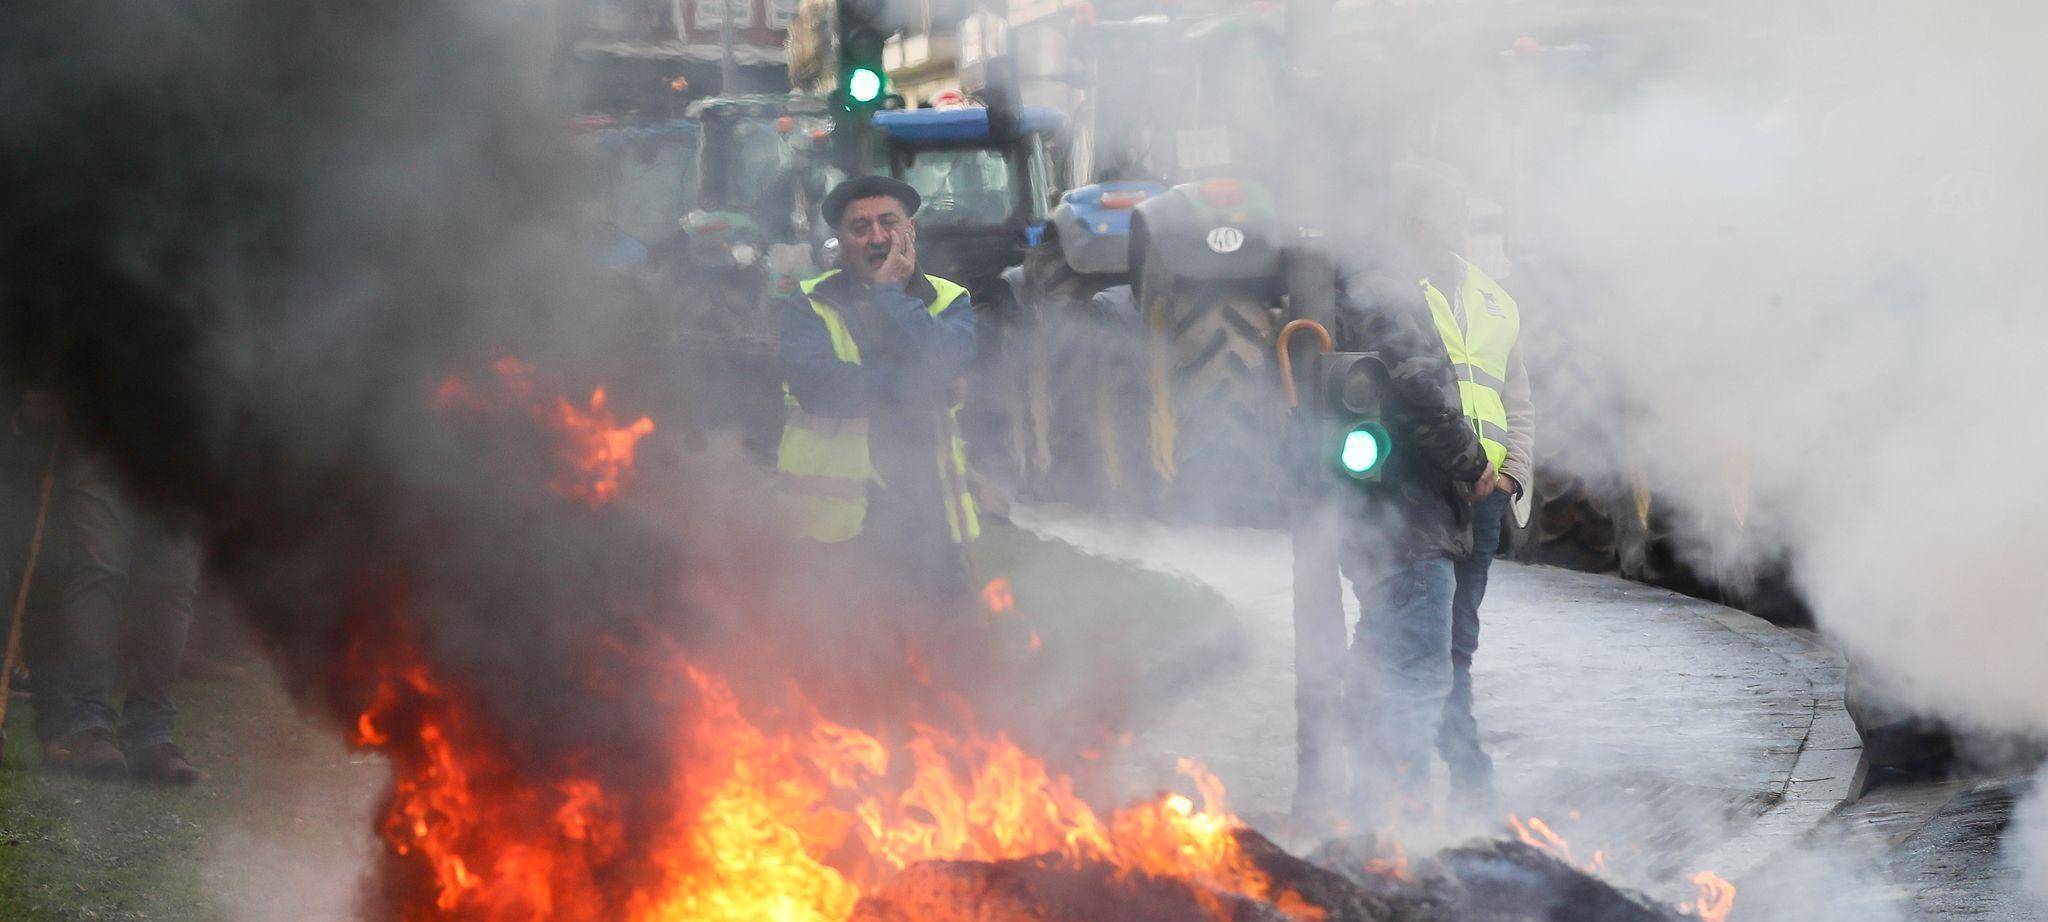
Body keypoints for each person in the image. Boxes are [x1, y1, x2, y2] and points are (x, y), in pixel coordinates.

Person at [1333, 163, 1499, 828]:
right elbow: (1421, 385)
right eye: (1442, 223)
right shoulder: (1391, 292)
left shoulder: (1374, 283)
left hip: (1388, 518)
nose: (1451, 239)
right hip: (1413, 517)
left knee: (1382, 662)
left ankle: (1370, 815)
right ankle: (1392, 823)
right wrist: (1471, 460)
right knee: (1417, 674)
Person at [1398, 168, 1535, 820]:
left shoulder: (1494, 301)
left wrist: (1512, 477)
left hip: (1482, 497)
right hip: (1426, 488)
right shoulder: (1398, 291)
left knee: (1456, 643)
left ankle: (1460, 779)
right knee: (1418, 641)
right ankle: (1432, 779)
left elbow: (1519, 399)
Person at [773, 175, 980, 599]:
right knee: (846, 653)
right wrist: (921, 387)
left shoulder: (950, 298)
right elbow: (823, 386)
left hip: (931, 513)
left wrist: (891, 297)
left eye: (889, 223)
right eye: (860, 227)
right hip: (837, 528)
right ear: (841, 240)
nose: (877, 237)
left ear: (910, 230)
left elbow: (947, 356)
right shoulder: (807, 304)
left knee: (946, 645)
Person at [34, 447, 206, 784]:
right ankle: (88, 725)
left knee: (173, 581)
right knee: (100, 569)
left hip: (186, 432)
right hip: (104, 419)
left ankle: (150, 733)